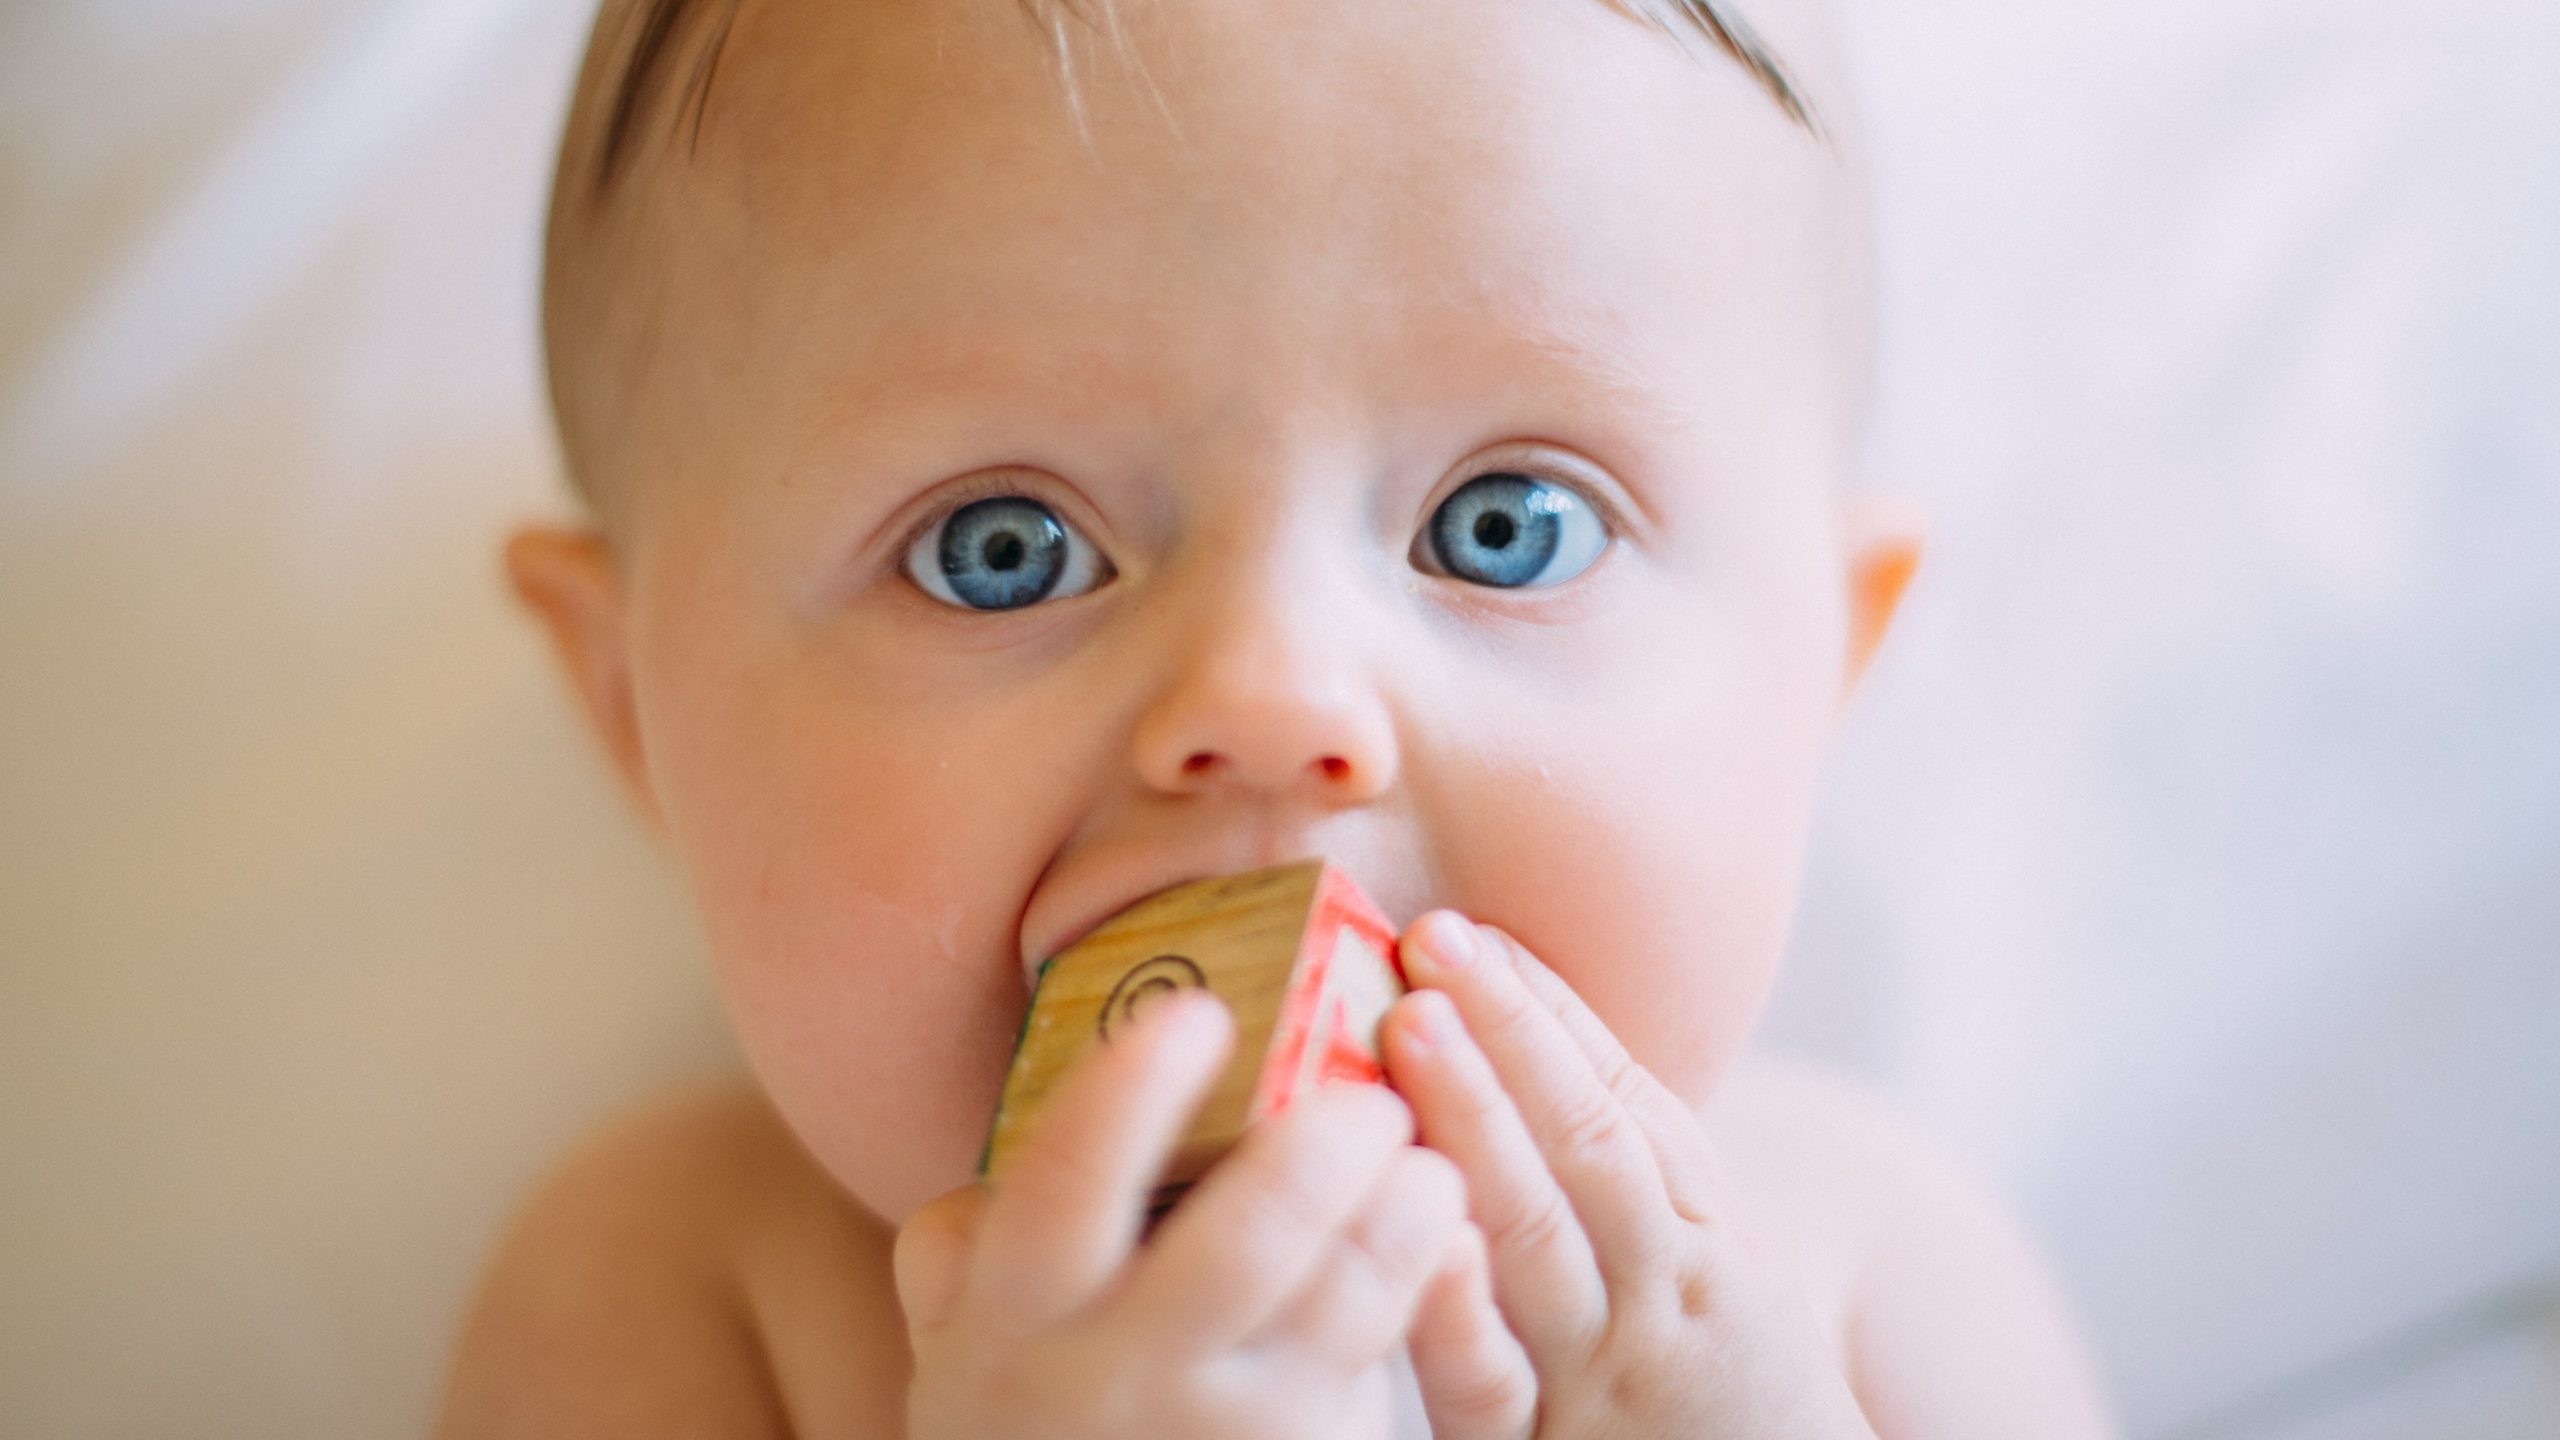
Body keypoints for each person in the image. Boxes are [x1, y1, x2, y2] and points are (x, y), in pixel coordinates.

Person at [439, 0, 2114, 1434]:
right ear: (636, 711)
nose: (1273, 699)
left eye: (1505, 524)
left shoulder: (1871, 1275)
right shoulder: (670, 1291)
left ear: (1825, 669)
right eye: (999, 551)